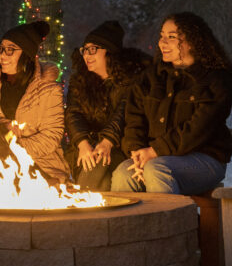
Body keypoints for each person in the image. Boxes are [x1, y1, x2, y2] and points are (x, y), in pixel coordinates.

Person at [111, 12, 232, 194]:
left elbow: (198, 128)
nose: (162, 43)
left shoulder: (214, 80)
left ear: (192, 40)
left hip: (205, 159)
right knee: (123, 172)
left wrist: (155, 151)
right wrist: (136, 152)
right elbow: (134, 119)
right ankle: (129, 223)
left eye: (171, 37)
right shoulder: (151, 77)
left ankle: (170, 222)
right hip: (153, 156)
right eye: (161, 36)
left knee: (157, 170)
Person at [0, 20, 69, 184]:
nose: (2, 55)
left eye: (10, 50)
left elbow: (50, 137)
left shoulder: (48, 89)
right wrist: (0, 133)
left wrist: (12, 148)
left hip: (40, 166)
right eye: (1, 49)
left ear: (26, 55)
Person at [65, 21, 150, 191]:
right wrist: (82, 143)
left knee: (99, 162)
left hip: (120, 147)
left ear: (109, 51)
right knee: (100, 179)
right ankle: (88, 212)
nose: (86, 55)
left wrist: (107, 141)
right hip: (85, 148)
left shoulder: (131, 79)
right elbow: (73, 114)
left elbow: (123, 113)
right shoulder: (80, 81)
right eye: (84, 50)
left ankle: (82, 210)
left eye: (92, 49)